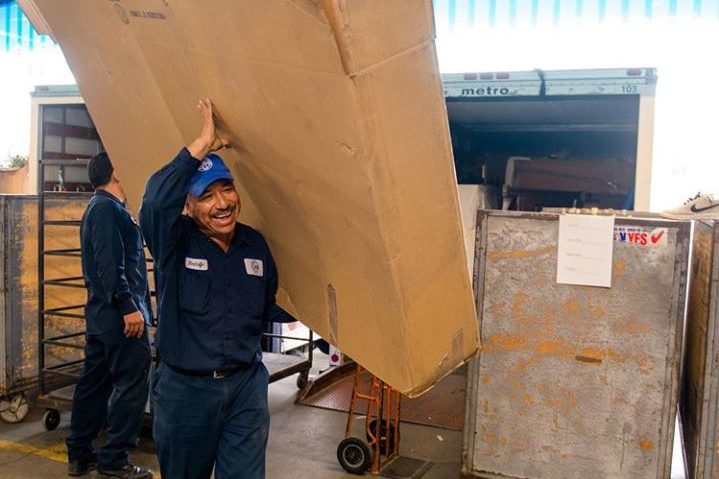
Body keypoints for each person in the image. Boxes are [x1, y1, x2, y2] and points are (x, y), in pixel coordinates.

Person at [140, 99, 294, 479]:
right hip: (186, 394)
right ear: (189, 206)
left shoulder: (254, 245)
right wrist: (203, 143)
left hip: (245, 387)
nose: (222, 203)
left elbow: (269, 306)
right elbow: (156, 202)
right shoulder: (174, 241)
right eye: (207, 196)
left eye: (226, 190)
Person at [66, 152, 153, 479]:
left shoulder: (104, 208)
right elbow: (110, 264)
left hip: (104, 318)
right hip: (120, 318)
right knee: (132, 385)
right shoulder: (106, 209)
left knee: (94, 385)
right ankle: (114, 459)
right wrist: (129, 306)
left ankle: (80, 454)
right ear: (115, 171)